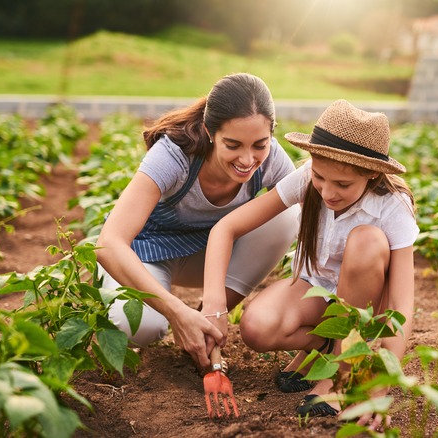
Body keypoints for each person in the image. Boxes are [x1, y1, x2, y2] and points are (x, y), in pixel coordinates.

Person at [203, 99, 418, 427]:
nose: (327, 192)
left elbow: (401, 306)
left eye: (343, 185)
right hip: (318, 291)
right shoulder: (308, 178)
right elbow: (227, 227)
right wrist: (215, 305)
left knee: (365, 239)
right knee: (256, 327)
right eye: (320, 177)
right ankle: (328, 346)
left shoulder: (393, 207)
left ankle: (344, 375)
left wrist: (379, 387)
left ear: (373, 175)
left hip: (366, 311)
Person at [96, 73, 299, 371]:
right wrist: (177, 312)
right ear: (209, 132)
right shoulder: (174, 156)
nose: (247, 159)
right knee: (141, 327)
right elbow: (109, 242)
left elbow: (314, 219)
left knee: (288, 212)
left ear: (271, 133)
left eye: (259, 144)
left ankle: (207, 323)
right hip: (148, 254)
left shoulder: (271, 159)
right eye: (233, 145)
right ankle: (163, 311)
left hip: (209, 258)